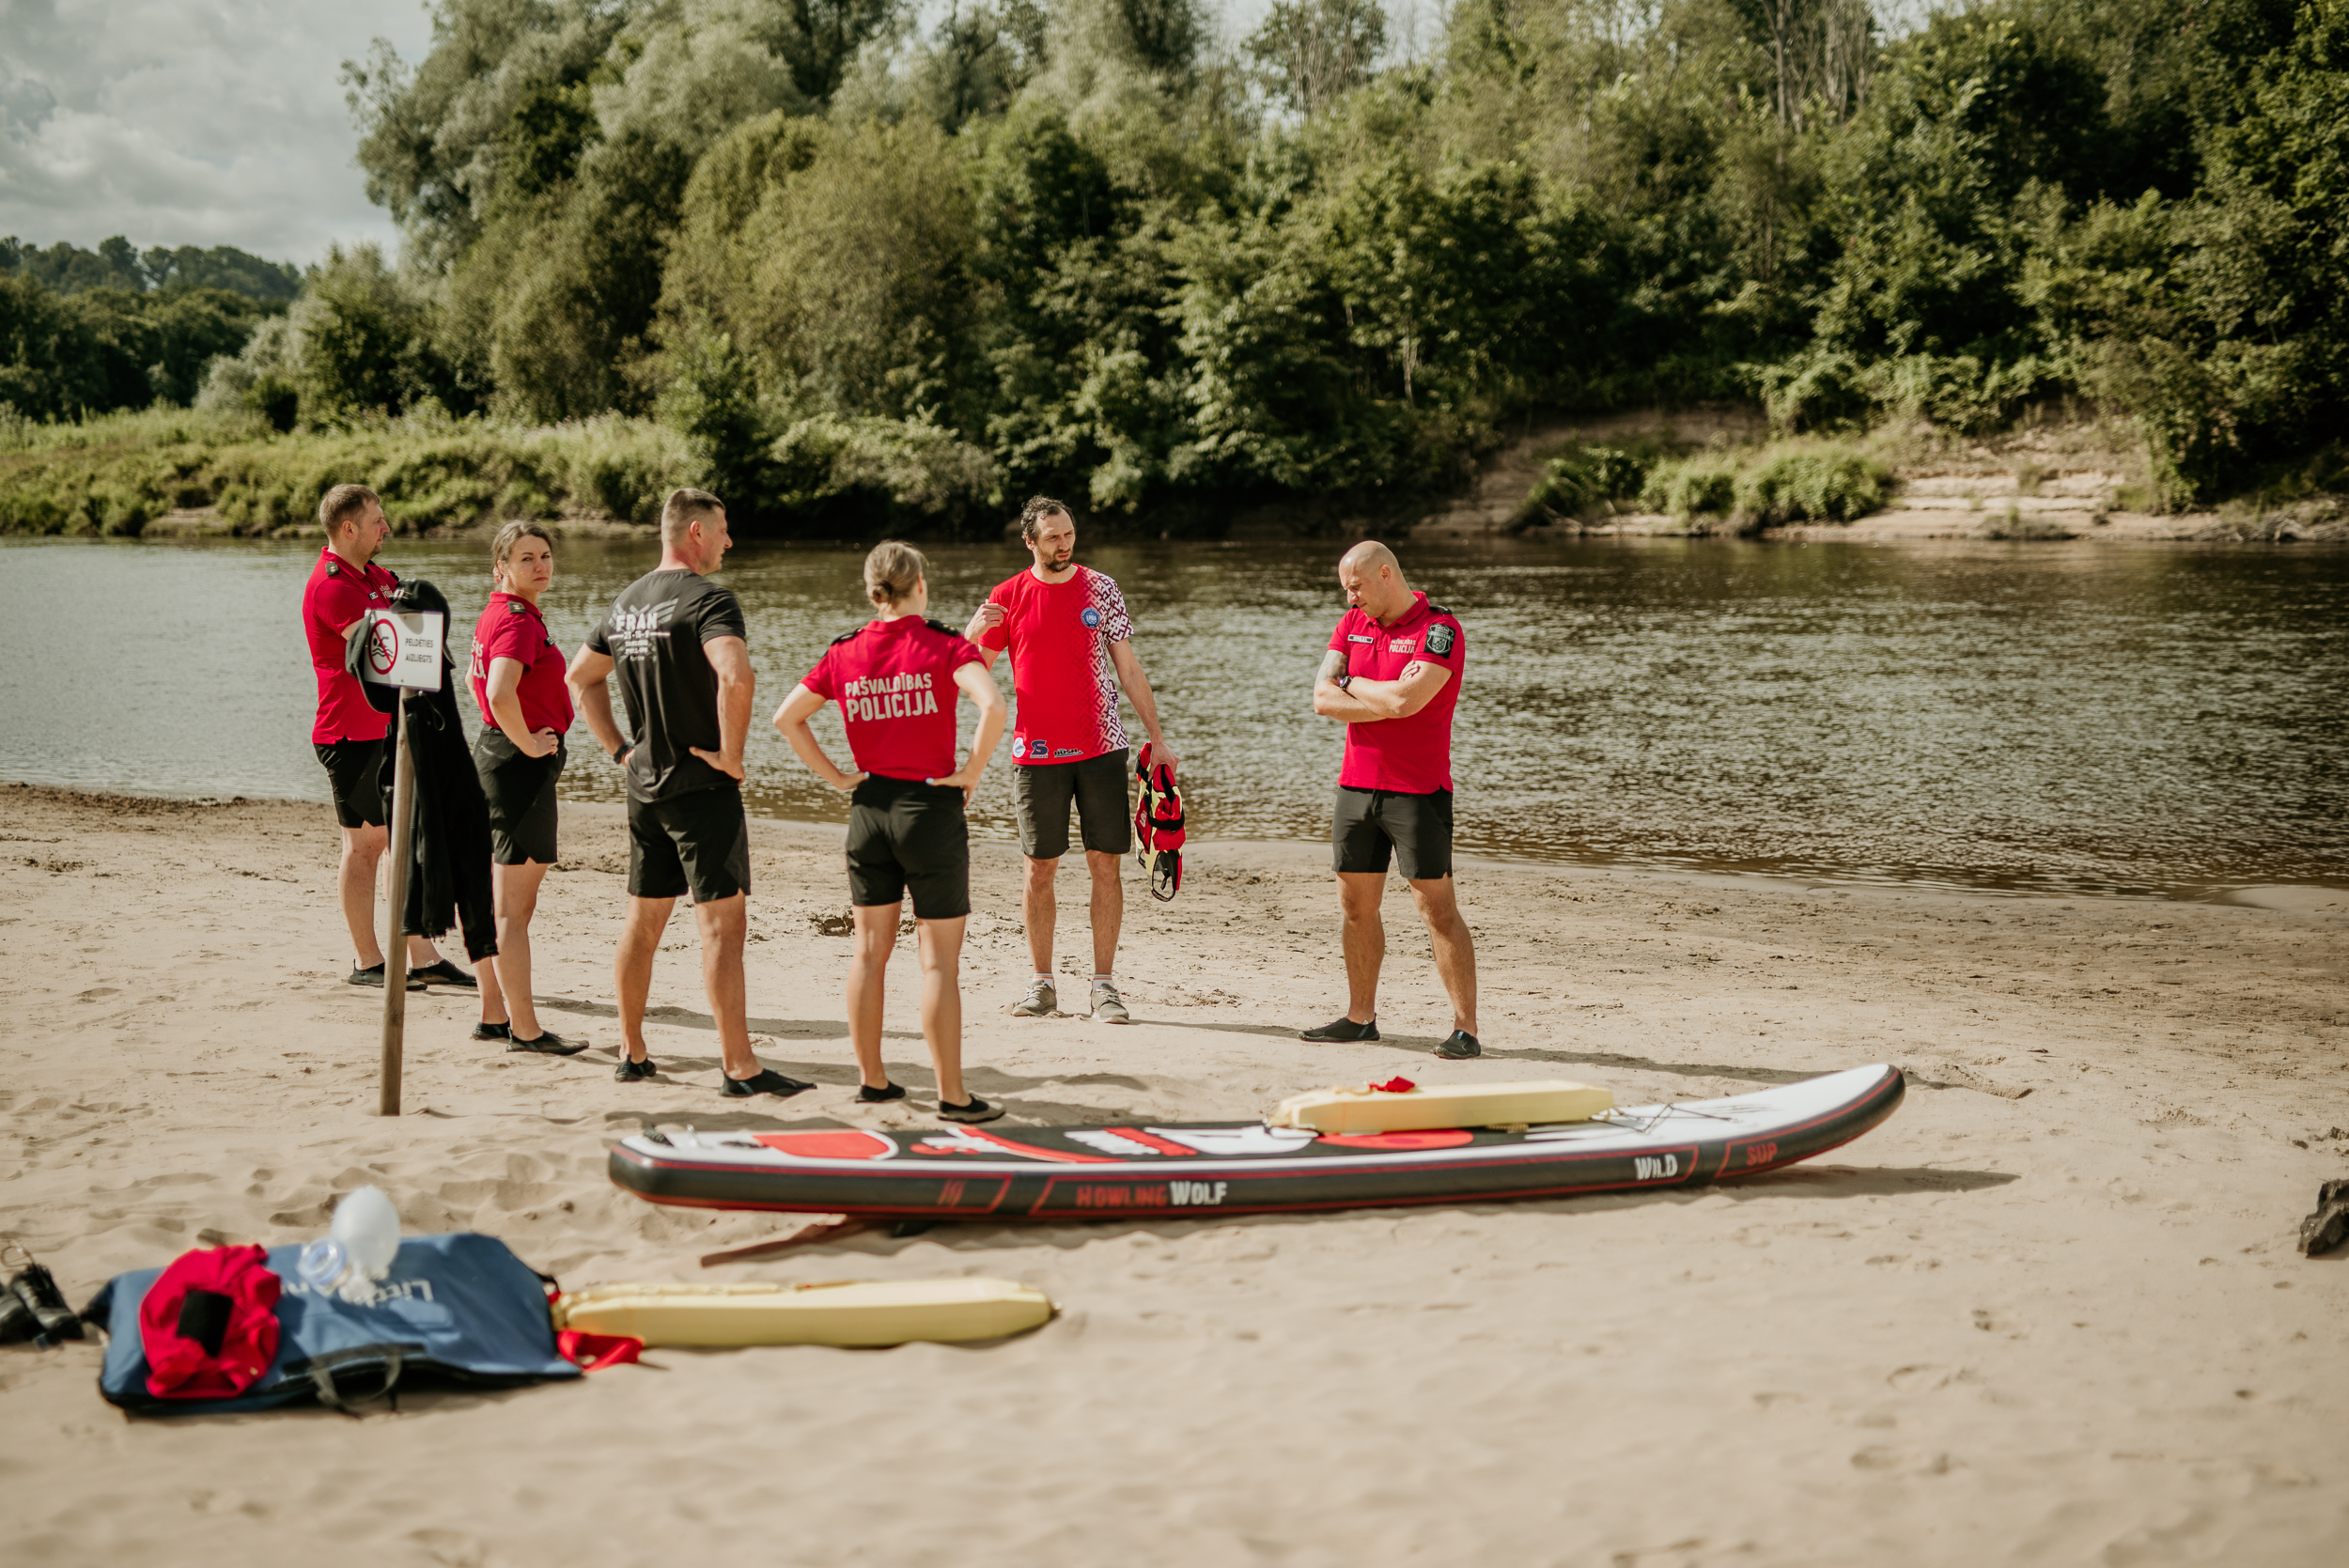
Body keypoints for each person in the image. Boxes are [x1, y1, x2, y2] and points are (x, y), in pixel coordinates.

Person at [567, 488, 808, 1096]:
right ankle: (739, 1066)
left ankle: (632, 1050)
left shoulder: (624, 603)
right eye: (724, 530)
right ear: (696, 531)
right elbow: (736, 675)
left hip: (645, 785)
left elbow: (580, 677)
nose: (729, 541)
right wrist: (731, 755)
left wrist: (622, 751)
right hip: (701, 785)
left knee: (642, 922)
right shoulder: (709, 599)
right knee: (722, 928)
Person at [773, 542, 1010, 1123]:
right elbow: (993, 705)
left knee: (869, 955)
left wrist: (835, 777)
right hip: (929, 810)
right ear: (920, 586)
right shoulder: (946, 645)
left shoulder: (845, 651)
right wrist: (972, 773)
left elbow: (786, 717)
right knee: (938, 966)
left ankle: (873, 1082)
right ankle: (953, 1097)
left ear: (871, 590)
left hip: (869, 810)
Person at [964, 497, 1177, 1024]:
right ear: (1030, 541)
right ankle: (1042, 984)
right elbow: (973, 675)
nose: (1064, 544)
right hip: (1035, 752)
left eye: (1069, 534)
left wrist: (1158, 738)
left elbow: (1127, 669)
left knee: (1105, 866)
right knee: (1039, 870)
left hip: (1103, 747)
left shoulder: (1102, 588)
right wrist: (969, 635)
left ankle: (1104, 985)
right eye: (1053, 537)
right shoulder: (1006, 596)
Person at [1306, 541, 1481, 1059]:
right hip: (1356, 787)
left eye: (1356, 585)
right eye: (1346, 588)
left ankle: (1465, 1030)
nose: (1349, 595)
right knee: (1356, 907)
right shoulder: (1349, 624)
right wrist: (1383, 697)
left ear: (1386, 573)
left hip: (1419, 791)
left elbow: (1410, 701)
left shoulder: (1440, 630)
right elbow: (1321, 698)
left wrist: (1354, 685)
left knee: (1437, 911)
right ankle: (1361, 1019)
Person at [300, 482, 466, 990]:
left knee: (402, 841)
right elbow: (388, 652)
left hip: (389, 730)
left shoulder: (373, 575)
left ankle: (423, 957)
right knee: (365, 846)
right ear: (347, 528)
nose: (386, 528)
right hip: (349, 734)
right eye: (377, 521)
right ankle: (369, 962)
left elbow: (423, 632)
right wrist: (416, 634)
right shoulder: (332, 585)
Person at [467, 521, 583, 1056]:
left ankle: (494, 1013)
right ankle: (526, 1029)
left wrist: (499, 728)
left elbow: (474, 683)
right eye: (525, 558)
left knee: (503, 907)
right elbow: (496, 688)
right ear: (502, 568)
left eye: (545, 555)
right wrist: (528, 743)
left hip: (496, 758)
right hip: (516, 767)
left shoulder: (500, 613)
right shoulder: (517, 621)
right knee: (513, 910)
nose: (540, 565)